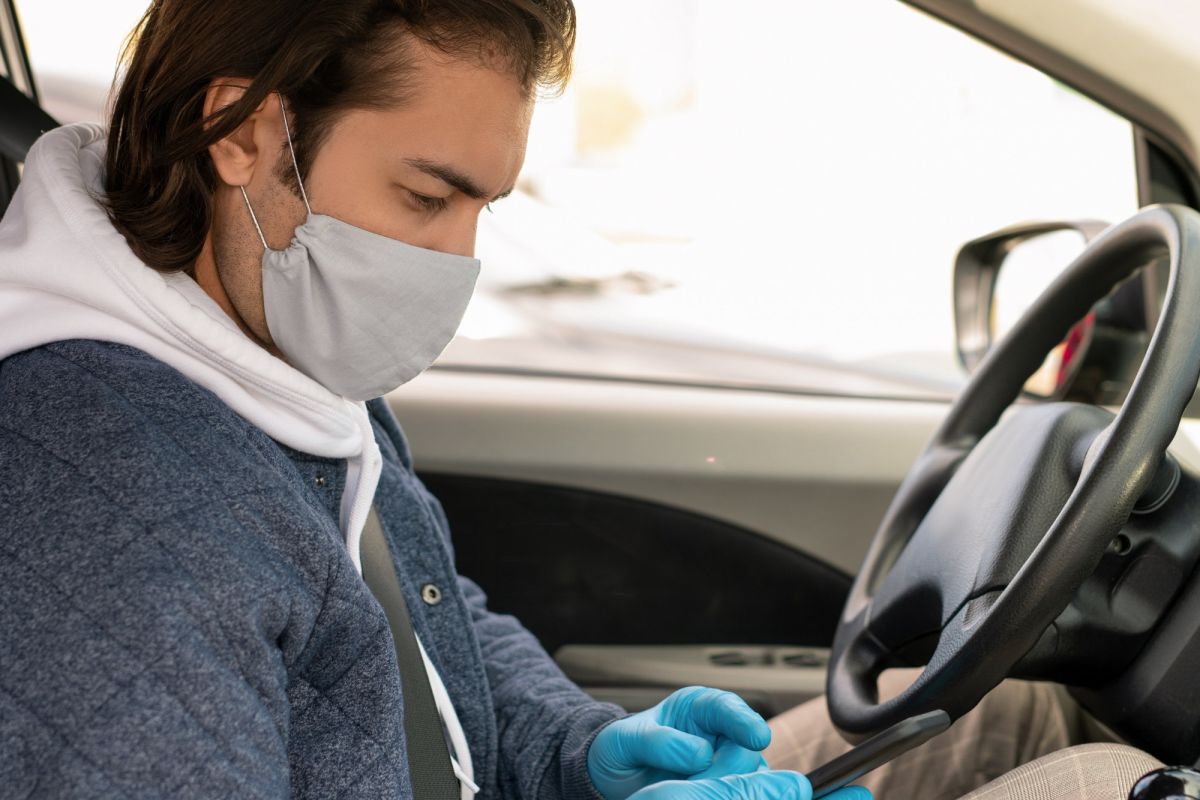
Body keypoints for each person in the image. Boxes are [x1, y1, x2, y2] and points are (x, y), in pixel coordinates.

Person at [0, 1, 1162, 798]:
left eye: (482, 208)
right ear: (248, 131)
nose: (455, 258)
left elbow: (426, 614)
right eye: (425, 195)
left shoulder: (262, 344)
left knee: (1011, 711)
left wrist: (590, 747)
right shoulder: (103, 504)